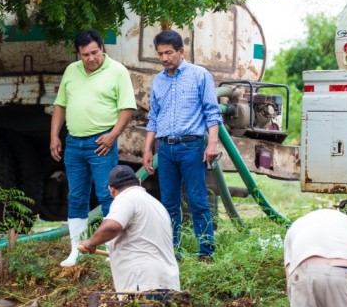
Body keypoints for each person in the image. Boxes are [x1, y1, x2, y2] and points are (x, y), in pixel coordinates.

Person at [50, 29, 137, 267]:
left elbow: (127, 108)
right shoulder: (71, 71)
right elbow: (60, 105)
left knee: (108, 195)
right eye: (85, 55)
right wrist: (54, 136)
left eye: (94, 52)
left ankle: (112, 252)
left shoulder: (118, 71)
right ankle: (76, 251)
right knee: (76, 196)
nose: (91, 58)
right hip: (74, 142)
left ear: (102, 48)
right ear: (78, 54)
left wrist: (112, 136)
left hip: (101, 142)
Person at [141, 29, 222, 262]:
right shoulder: (158, 81)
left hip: (192, 147)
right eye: (160, 54)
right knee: (168, 203)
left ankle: (206, 252)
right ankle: (171, 252)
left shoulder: (199, 75)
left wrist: (212, 144)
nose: (165, 58)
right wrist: (148, 149)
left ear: (181, 51)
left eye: (169, 53)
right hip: (165, 149)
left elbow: (212, 112)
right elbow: (153, 117)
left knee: (197, 201)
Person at [80, 165, 180, 293]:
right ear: (138, 181)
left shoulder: (125, 198)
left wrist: (90, 243)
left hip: (143, 281)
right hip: (168, 281)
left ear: (111, 190)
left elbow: (111, 227)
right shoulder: (157, 204)